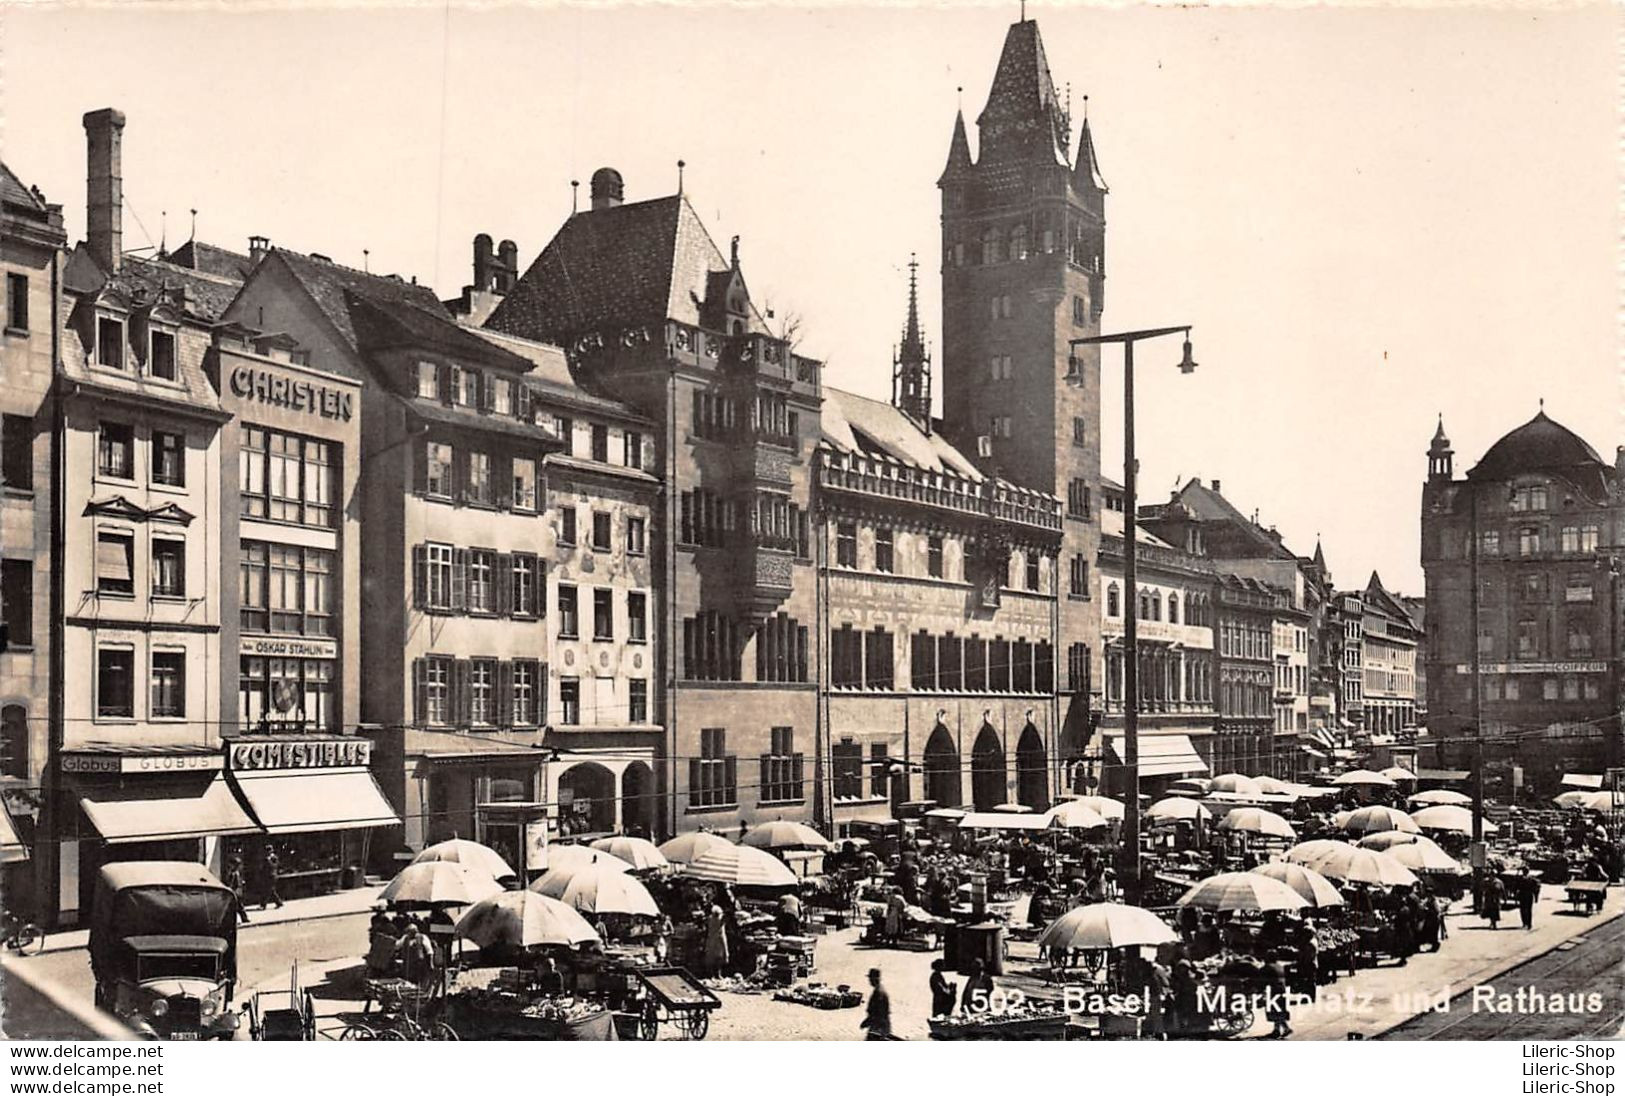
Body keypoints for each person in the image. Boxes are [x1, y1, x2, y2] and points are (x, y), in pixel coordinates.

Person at [860, 968, 892, 1040]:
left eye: (870, 978)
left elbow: (879, 1013)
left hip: (878, 1027)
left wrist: (867, 1021)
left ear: (875, 978)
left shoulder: (879, 992)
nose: (869, 980)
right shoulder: (879, 989)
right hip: (878, 1026)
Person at [1265, 958, 1293, 1038]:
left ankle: (1284, 1029)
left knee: (1275, 1010)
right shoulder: (1280, 966)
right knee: (1278, 1010)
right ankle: (1278, 1030)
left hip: (1274, 991)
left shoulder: (1268, 967)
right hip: (1282, 990)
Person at [704, 901, 730, 975]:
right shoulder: (714, 920)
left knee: (717, 956)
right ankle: (713, 973)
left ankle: (716, 973)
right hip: (715, 938)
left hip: (715, 938)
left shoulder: (712, 919)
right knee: (716, 956)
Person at [226, 854, 250, 924]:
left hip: (235, 892)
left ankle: (242, 918)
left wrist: (230, 890)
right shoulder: (237, 873)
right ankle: (244, 918)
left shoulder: (233, 873)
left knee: (235, 907)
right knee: (239, 906)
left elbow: (232, 883)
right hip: (237, 891)